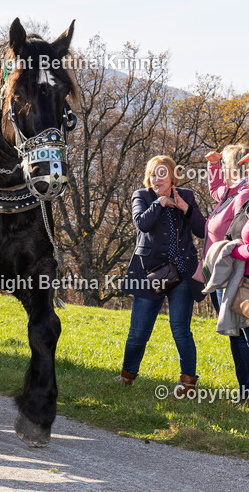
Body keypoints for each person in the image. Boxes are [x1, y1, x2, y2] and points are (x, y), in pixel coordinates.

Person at [117, 156, 207, 396]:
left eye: (162, 173)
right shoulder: (142, 195)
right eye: (153, 174)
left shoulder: (186, 195)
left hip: (182, 273)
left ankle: (187, 383)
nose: (157, 178)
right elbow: (141, 224)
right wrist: (160, 203)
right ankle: (126, 376)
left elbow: (202, 230)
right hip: (150, 274)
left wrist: (183, 208)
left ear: (172, 177)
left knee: (181, 329)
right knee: (138, 332)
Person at [203, 145, 249, 404]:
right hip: (223, 275)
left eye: (226, 164)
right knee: (235, 333)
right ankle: (243, 389)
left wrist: (231, 249)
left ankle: (247, 390)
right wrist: (212, 165)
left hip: (237, 276)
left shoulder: (244, 194)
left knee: (242, 333)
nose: (224, 169)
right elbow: (215, 188)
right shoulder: (230, 193)